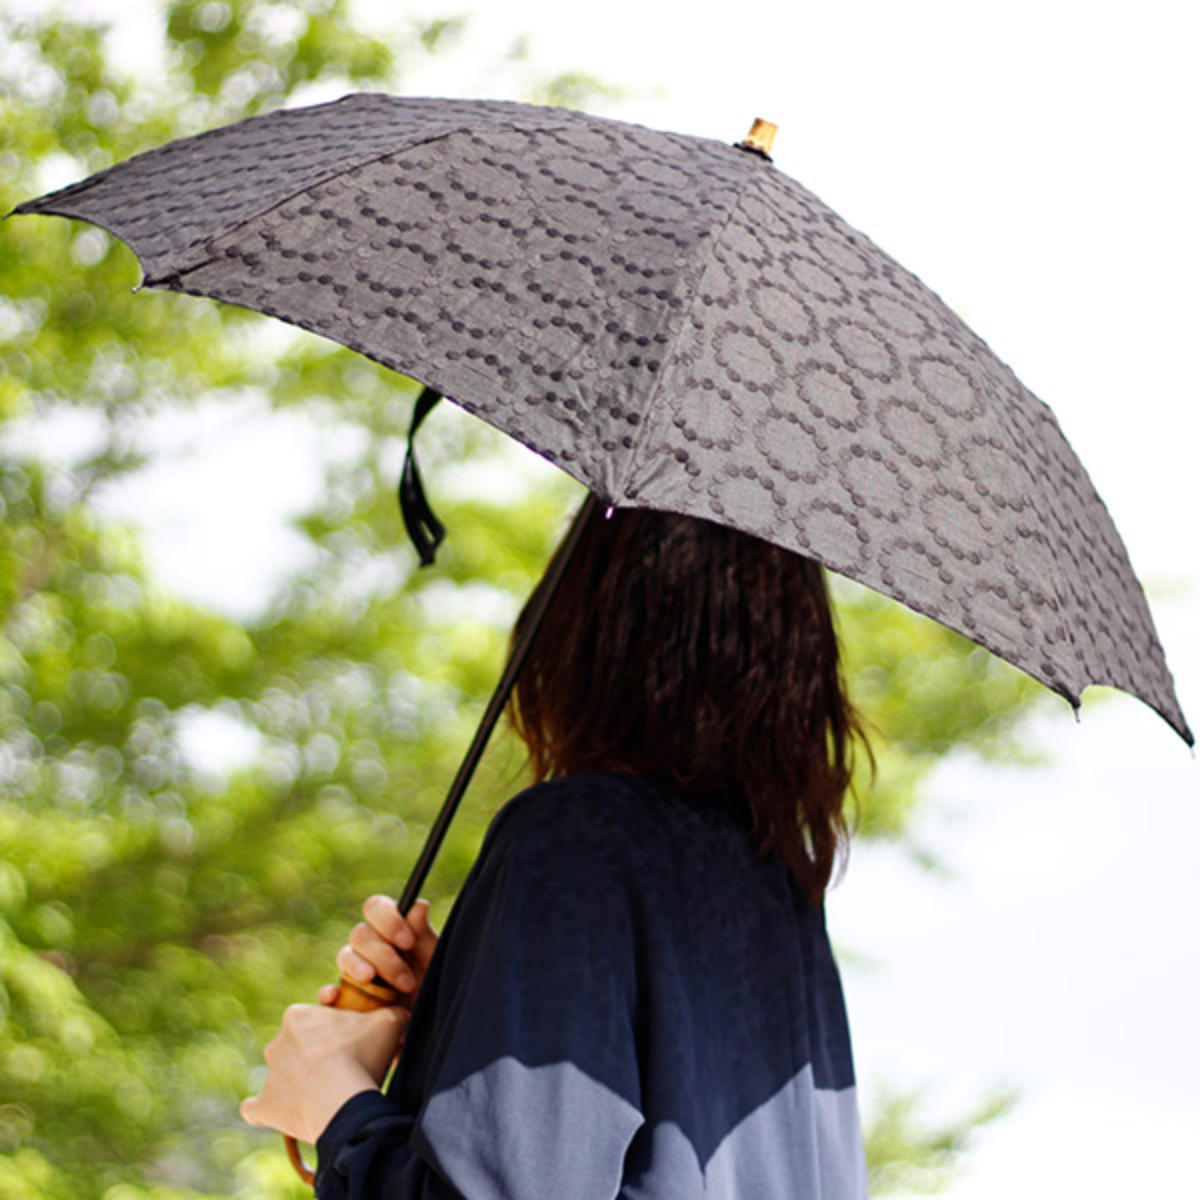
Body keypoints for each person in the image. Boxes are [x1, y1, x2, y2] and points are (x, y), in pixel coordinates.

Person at [241, 505, 871, 1198]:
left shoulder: (572, 838)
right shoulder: (782, 892)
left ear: (586, 626)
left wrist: (335, 1102)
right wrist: (460, 1009)